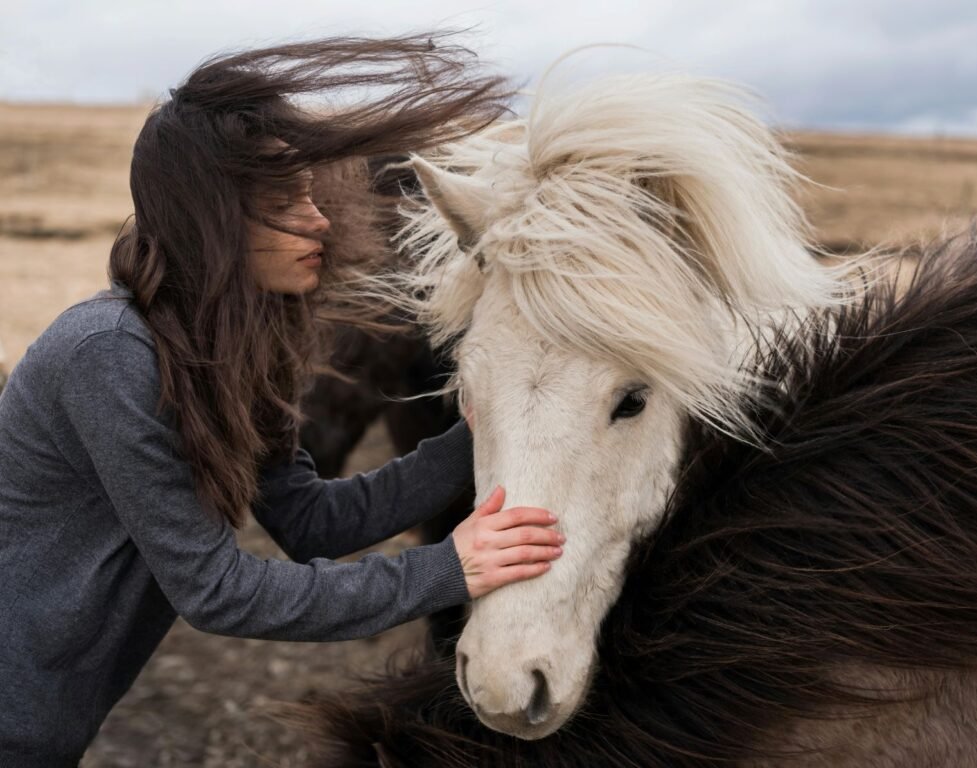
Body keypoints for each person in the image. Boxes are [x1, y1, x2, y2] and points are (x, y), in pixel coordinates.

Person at [0, 35, 564, 766]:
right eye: (281, 201)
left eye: (309, 192)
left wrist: (472, 439)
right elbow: (218, 592)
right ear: (209, 223)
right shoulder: (107, 353)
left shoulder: (228, 357)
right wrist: (445, 569)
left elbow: (309, 521)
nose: (318, 219)